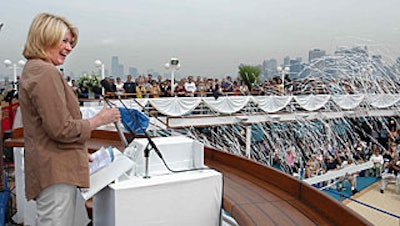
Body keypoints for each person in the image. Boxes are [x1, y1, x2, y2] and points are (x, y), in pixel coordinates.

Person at [19, 13, 121, 225]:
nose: (69, 47)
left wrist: (77, 154)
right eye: (64, 41)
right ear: (46, 37)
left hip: (55, 167)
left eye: (71, 42)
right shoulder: (46, 72)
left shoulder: (34, 69)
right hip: (56, 172)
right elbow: (61, 128)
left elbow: (47, 126)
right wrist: (100, 120)